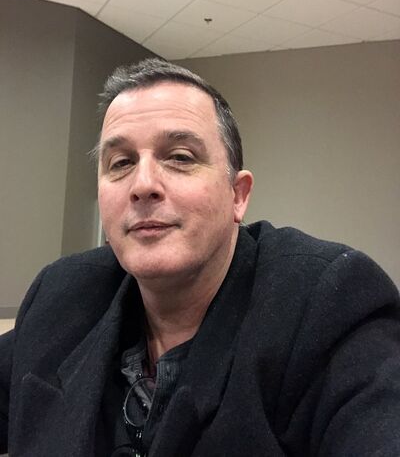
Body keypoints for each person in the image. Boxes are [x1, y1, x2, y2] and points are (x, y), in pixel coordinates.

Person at [0, 58, 399, 457]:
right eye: (121, 163)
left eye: (180, 157)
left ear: (238, 195)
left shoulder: (328, 305)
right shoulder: (61, 294)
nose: (142, 185)